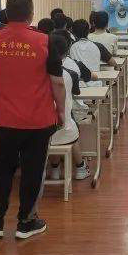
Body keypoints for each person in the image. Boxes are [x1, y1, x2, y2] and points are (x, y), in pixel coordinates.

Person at [0, 0, 66, 240]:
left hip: (2, 119)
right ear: (31, 14)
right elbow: (57, 82)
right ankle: (26, 222)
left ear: (7, 12)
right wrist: (61, 112)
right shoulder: (45, 41)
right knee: (33, 170)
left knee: (1, 168)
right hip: (38, 120)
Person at [45, 33, 90, 183]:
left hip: (41, 129)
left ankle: (55, 168)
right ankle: (81, 168)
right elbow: (76, 92)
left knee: (57, 133)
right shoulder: (70, 73)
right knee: (71, 130)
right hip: (64, 125)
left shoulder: (36, 72)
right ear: (67, 49)